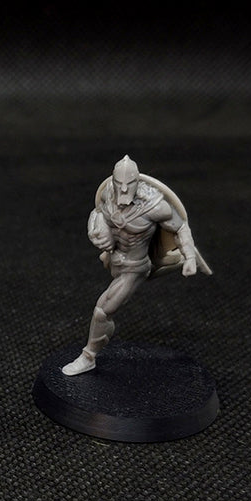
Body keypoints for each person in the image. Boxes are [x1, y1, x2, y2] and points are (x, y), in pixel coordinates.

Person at [62, 155, 211, 376]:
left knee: (103, 311)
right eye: (118, 184)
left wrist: (189, 256)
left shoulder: (155, 207)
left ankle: (88, 357)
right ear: (113, 181)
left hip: (135, 267)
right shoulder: (108, 196)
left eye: (128, 184)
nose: (123, 190)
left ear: (137, 182)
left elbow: (180, 228)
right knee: (105, 307)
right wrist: (97, 230)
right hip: (114, 261)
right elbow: (97, 213)